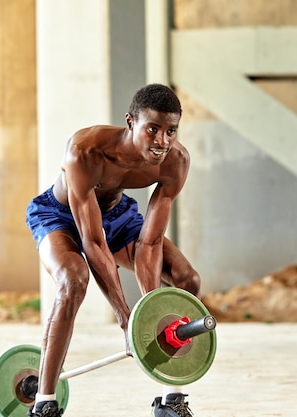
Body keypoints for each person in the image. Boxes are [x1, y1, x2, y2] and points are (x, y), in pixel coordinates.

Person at [25, 84, 200, 417]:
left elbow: (149, 242)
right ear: (131, 122)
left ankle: (170, 400)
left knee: (187, 279)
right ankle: (44, 402)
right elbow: (92, 242)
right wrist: (125, 318)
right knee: (73, 281)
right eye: (153, 129)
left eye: (170, 131)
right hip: (59, 216)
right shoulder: (85, 151)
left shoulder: (174, 162)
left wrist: (149, 310)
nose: (162, 141)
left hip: (118, 217)